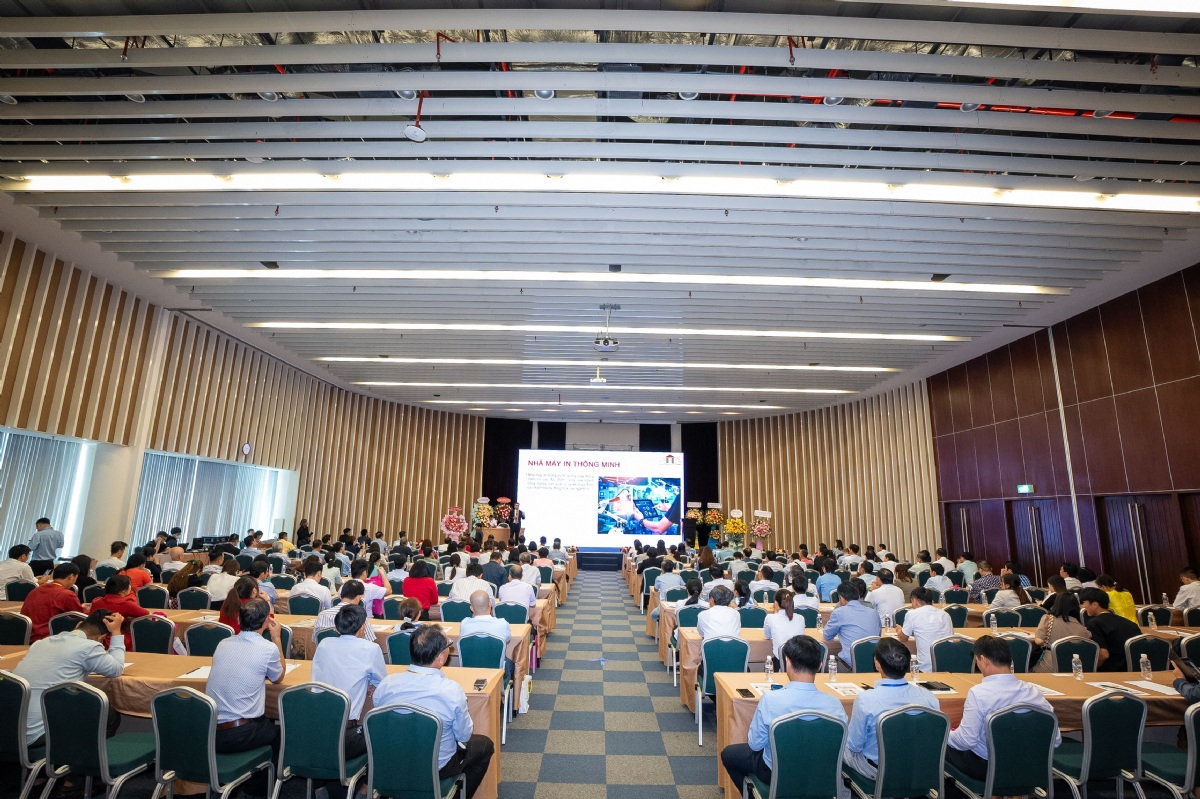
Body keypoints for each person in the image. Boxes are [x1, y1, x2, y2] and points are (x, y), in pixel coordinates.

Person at [372, 625, 495, 799]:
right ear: (440, 657)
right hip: (437, 769)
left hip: (392, 763)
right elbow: (464, 736)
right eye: (448, 646)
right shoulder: (451, 690)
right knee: (485, 746)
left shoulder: (386, 684)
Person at [720, 636, 847, 792]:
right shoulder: (835, 704)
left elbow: (755, 744)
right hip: (820, 773)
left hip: (777, 773)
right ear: (820, 665)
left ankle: (757, 793)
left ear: (788, 662)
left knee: (729, 754)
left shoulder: (771, 699)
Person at [946, 635, 1060, 780]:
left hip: (989, 768)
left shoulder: (978, 693)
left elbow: (966, 741)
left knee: (937, 744)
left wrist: (944, 734)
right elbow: (1056, 740)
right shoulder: (1033, 692)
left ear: (984, 661)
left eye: (977, 660)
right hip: (1028, 766)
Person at [840, 637, 940, 799]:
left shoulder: (866, 700)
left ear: (877, 664)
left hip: (877, 770)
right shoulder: (929, 697)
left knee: (837, 744)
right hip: (919, 769)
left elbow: (854, 746)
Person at [14, 609, 127, 746]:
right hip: (37, 733)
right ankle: (89, 757)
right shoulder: (88, 647)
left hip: (11, 728)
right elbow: (116, 669)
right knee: (106, 711)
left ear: (78, 625)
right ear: (100, 638)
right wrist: (116, 632)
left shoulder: (40, 643)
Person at [206, 598, 283, 797]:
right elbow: (278, 677)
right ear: (266, 621)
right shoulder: (267, 648)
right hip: (241, 734)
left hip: (210, 732)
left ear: (239, 620)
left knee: (264, 724)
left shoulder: (223, 643)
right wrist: (277, 638)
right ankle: (256, 791)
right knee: (282, 734)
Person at [311, 603, 386, 796]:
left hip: (315, 732)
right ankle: (365, 789)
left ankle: (319, 787)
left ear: (336, 628)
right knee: (385, 735)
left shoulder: (324, 644)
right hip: (346, 738)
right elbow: (380, 683)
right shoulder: (371, 648)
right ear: (362, 627)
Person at [1079, 586, 1142, 672]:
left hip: (1112, 671)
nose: (1082, 607)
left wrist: (1090, 670)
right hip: (1136, 669)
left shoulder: (1094, 624)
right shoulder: (1130, 623)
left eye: (1084, 603)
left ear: (1095, 604)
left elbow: (1104, 655)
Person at [823, 581, 882, 668]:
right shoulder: (874, 612)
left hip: (849, 666)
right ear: (858, 596)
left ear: (841, 598)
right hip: (873, 665)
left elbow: (827, 636)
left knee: (822, 665)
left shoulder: (839, 612)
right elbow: (878, 635)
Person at [21, 562, 85, 641]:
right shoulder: (67, 594)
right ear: (71, 577)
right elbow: (79, 616)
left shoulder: (36, 590)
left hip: (25, 635)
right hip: (48, 638)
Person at [896, 587, 954, 673]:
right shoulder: (945, 615)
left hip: (924, 668)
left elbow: (903, 638)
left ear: (915, 600)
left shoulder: (912, 614)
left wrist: (899, 630)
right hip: (946, 666)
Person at [460, 589, 515, 679]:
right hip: (496, 675)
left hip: (469, 674)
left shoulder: (464, 624)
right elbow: (507, 640)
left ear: (471, 608)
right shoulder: (502, 624)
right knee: (511, 663)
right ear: (490, 604)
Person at [1031, 593, 1091, 673]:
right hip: (1074, 669)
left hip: (1049, 667)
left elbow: (1039, 641)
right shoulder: (1082, 629)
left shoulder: (1048, 619)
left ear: (1056, 605)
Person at [89, 574, 152, 649]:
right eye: (129, 585)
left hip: (92, 639)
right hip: (113, 640)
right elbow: (149, 616)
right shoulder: (125, 604)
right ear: (123, 590)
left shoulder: (96, 601)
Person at [314, 580, 379, 644]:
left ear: (340, 596)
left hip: (327, 650)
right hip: (352, 650)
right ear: (358, 598)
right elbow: (369, 642)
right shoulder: (359, 617)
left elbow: (315, 641)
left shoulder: (322, 615)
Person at [763, 589, 806, 669]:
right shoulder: (801, 618)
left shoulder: (770, 618)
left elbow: (767, 636)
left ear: (776, 603)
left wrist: (775, 612)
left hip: (780, 662)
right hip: (799, 661)